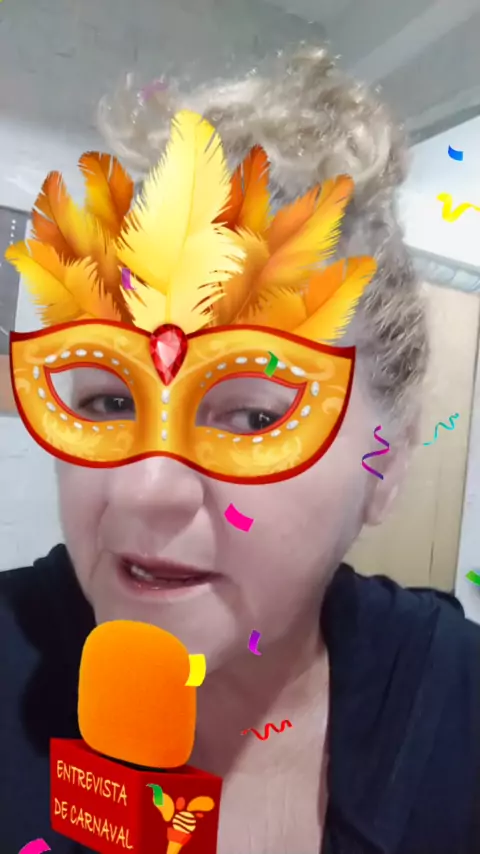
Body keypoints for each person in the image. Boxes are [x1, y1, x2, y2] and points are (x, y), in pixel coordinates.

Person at [1, 45, 479, 854]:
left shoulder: (456, 712)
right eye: (109, 400)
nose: (142, 489)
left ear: (386, 467)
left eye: (252, 417)